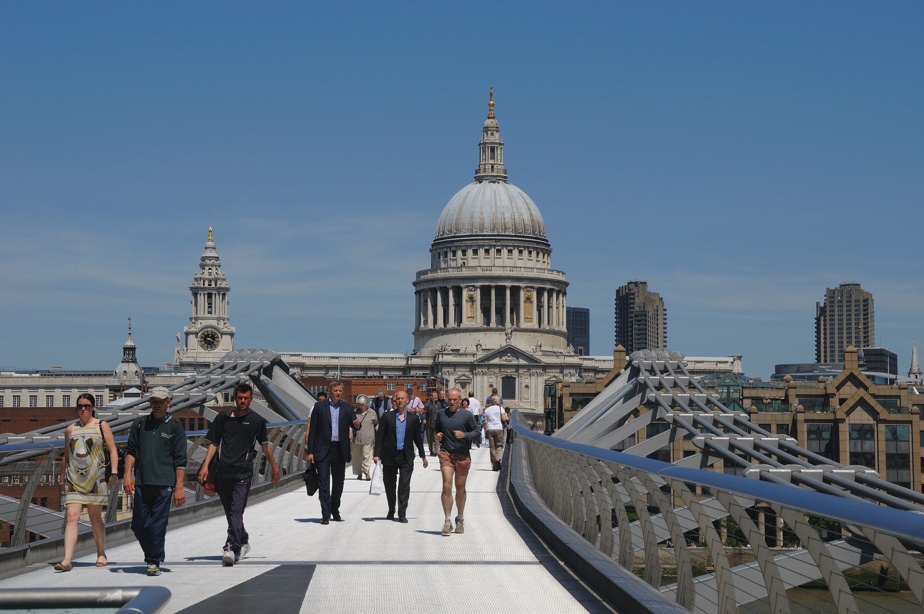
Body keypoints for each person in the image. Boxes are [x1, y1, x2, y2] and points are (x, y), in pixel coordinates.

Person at [196, 383, 280, 567]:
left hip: (243, 473)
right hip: (222, 472)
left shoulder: (256, 421)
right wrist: (205, 467)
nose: (242, 401)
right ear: (235, 398)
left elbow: (265, 446)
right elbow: (213, 444)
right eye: (240, 398)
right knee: (230, 513)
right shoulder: (222, 419)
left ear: (251, 399)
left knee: (235, 511)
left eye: (246, 398)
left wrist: (275, 468)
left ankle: (231, 548)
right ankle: (243, 539)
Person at [123, 387, 187, 576]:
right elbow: (131, 451)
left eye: (160, 401)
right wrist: (127, 475)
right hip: (142, 483)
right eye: (153, 401)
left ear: (169, 403)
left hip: (164, 484)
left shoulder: (175, 427)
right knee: (138, 525)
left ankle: (153, 561)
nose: (156, 405)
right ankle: (155, 553)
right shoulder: (140, 424)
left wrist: (179, 487)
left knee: (156, 525)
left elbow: (180, 461)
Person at [54, 393, 118, 571]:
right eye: (80, 406)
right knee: (71, 518)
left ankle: (101, 552)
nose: (83, 409)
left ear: (93, 407)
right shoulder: (70, 429)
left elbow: (113, 450)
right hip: (74, 480)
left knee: (95, 519)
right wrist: (61, 476)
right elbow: (66, 455)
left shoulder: (101, 425)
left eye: (87, 406)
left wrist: (113, 472)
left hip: (96, 480)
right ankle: (67, 560)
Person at [306, 380, 360, 524]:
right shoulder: (319, 407)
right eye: (335, 390)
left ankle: (335, 509)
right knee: (324, 483)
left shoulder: (347, 408)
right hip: (323, 449)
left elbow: (355, 424)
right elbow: (313, 431)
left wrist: (357, 424)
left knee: (338, 482)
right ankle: (325, 514)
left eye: (340, 391)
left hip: (340, 450)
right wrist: (310, 451)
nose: (338, 393)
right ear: (330, 391)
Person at [373, 390, 428, 522]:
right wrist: (376, 454)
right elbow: (380, 436)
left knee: (404, 485)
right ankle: (391, 508)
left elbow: (418, 438)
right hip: (389, 456)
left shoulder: (414, 418)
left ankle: (402, 512)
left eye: (402, 398)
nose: (399, 401)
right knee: (390, 484)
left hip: (406, 456)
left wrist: (423, 456)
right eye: (397, 399)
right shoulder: (387, 417)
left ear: (407, 400)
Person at [434, 388, 480, 535]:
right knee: (446, 485)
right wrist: (439, 435)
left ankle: (460, 518)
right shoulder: (441, 414)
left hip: (462, 455)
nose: (452, 402)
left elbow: (477, 432)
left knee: (460, 488)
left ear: (460, 400)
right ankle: (447, 521)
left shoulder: (467, 415)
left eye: (455, 399)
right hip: (446, 453)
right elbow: (437, 430)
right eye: (450, 399)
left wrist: (464, 435)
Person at [350, 394, 378, 481]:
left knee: (367, 455)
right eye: (359, 404)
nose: (360, 406)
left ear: (366, 404)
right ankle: (359, 473)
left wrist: (380, 434)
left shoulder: (372, 413)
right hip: (357, 438)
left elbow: (376, 424)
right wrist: (350, 433)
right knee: (356, 457)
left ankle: (366, 471)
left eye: (362, 404)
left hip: (368, 438)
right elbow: (350, 424)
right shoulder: (355, 412)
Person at [483, 395, 508, 471]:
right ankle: (498, 458)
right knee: (499, 445)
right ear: (496, 401)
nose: (500, 402)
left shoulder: (487, 410)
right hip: (498, 428)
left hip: (490, 429)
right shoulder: (500, 409)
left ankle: (494, 465)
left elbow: (486, 422)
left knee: (492, 446)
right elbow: (503, 419)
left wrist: (485, 432)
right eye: (499, 401)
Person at [423, 390, 444, 456]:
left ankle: (435, 451)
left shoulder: (439, 405)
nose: (436, 397)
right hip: (429, 423)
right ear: (431, 397)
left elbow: (441, 413)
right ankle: (431, 450)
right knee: (429, 438)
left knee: (435, 437)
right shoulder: (427, 404)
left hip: (436, 423)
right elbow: (424, 412)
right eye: (435, 396)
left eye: (436, 396)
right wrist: (424, 419)